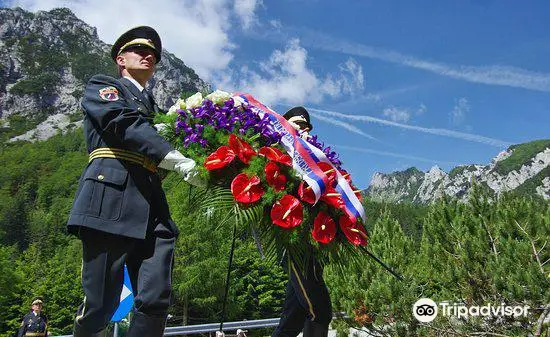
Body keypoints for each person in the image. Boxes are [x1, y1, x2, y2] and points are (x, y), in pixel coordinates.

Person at [67, 26, 203, 337]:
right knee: (101, 304)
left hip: (152, 206)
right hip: (110, 200)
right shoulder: (103, 87)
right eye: (139, 50)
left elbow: (169, 140)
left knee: (155, 299)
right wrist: (176, 158)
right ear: (120, 59)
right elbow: (124, 124)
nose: (148, 56)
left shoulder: (158, 111)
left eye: (152, 54)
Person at [271, 107, 332, 337]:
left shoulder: (316, 161)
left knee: (293, 319)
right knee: (320, 310)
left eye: (306, 125)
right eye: (298, 123)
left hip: (313, 241)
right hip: (295, 241)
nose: (304, 128)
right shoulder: (280, 154)